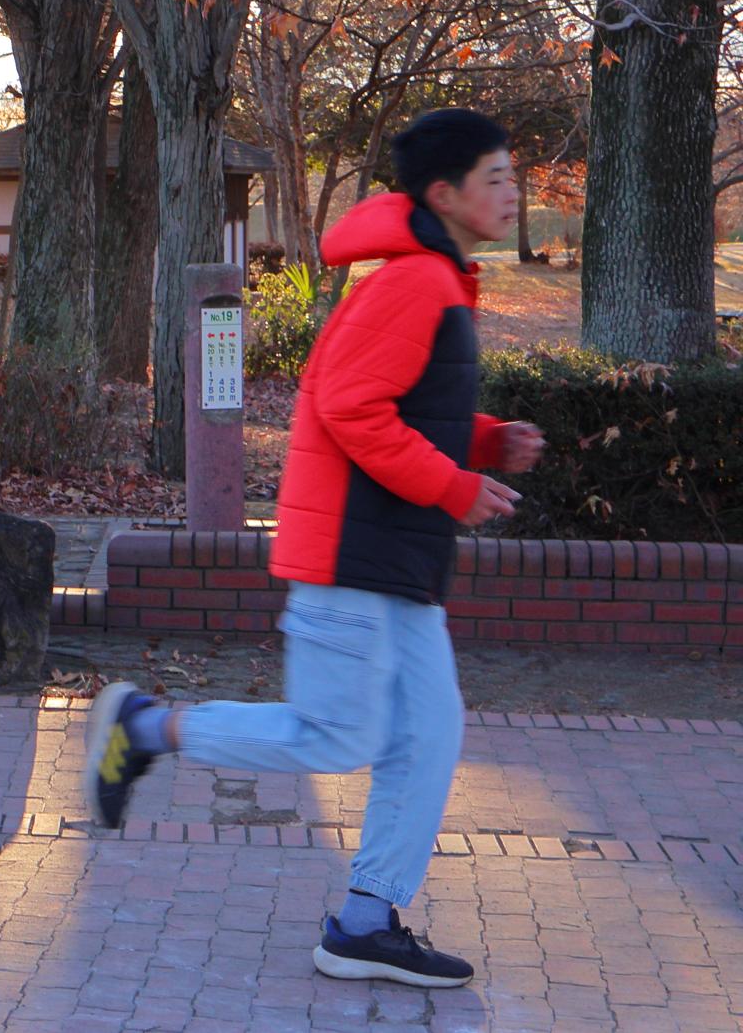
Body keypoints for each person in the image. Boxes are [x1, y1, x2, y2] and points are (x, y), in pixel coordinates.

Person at [84, 109, 546, 989]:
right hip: (352, 557)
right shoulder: (414, 284)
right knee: (337, 735)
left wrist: (481, 441)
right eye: (495, 175)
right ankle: (145, 726)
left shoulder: (437, 280)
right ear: (445, 194)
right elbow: (348, 408)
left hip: (393, 561)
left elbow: (400, 404)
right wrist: (455, 485)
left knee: (429, 732)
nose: (511, 189)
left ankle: (366, 920)